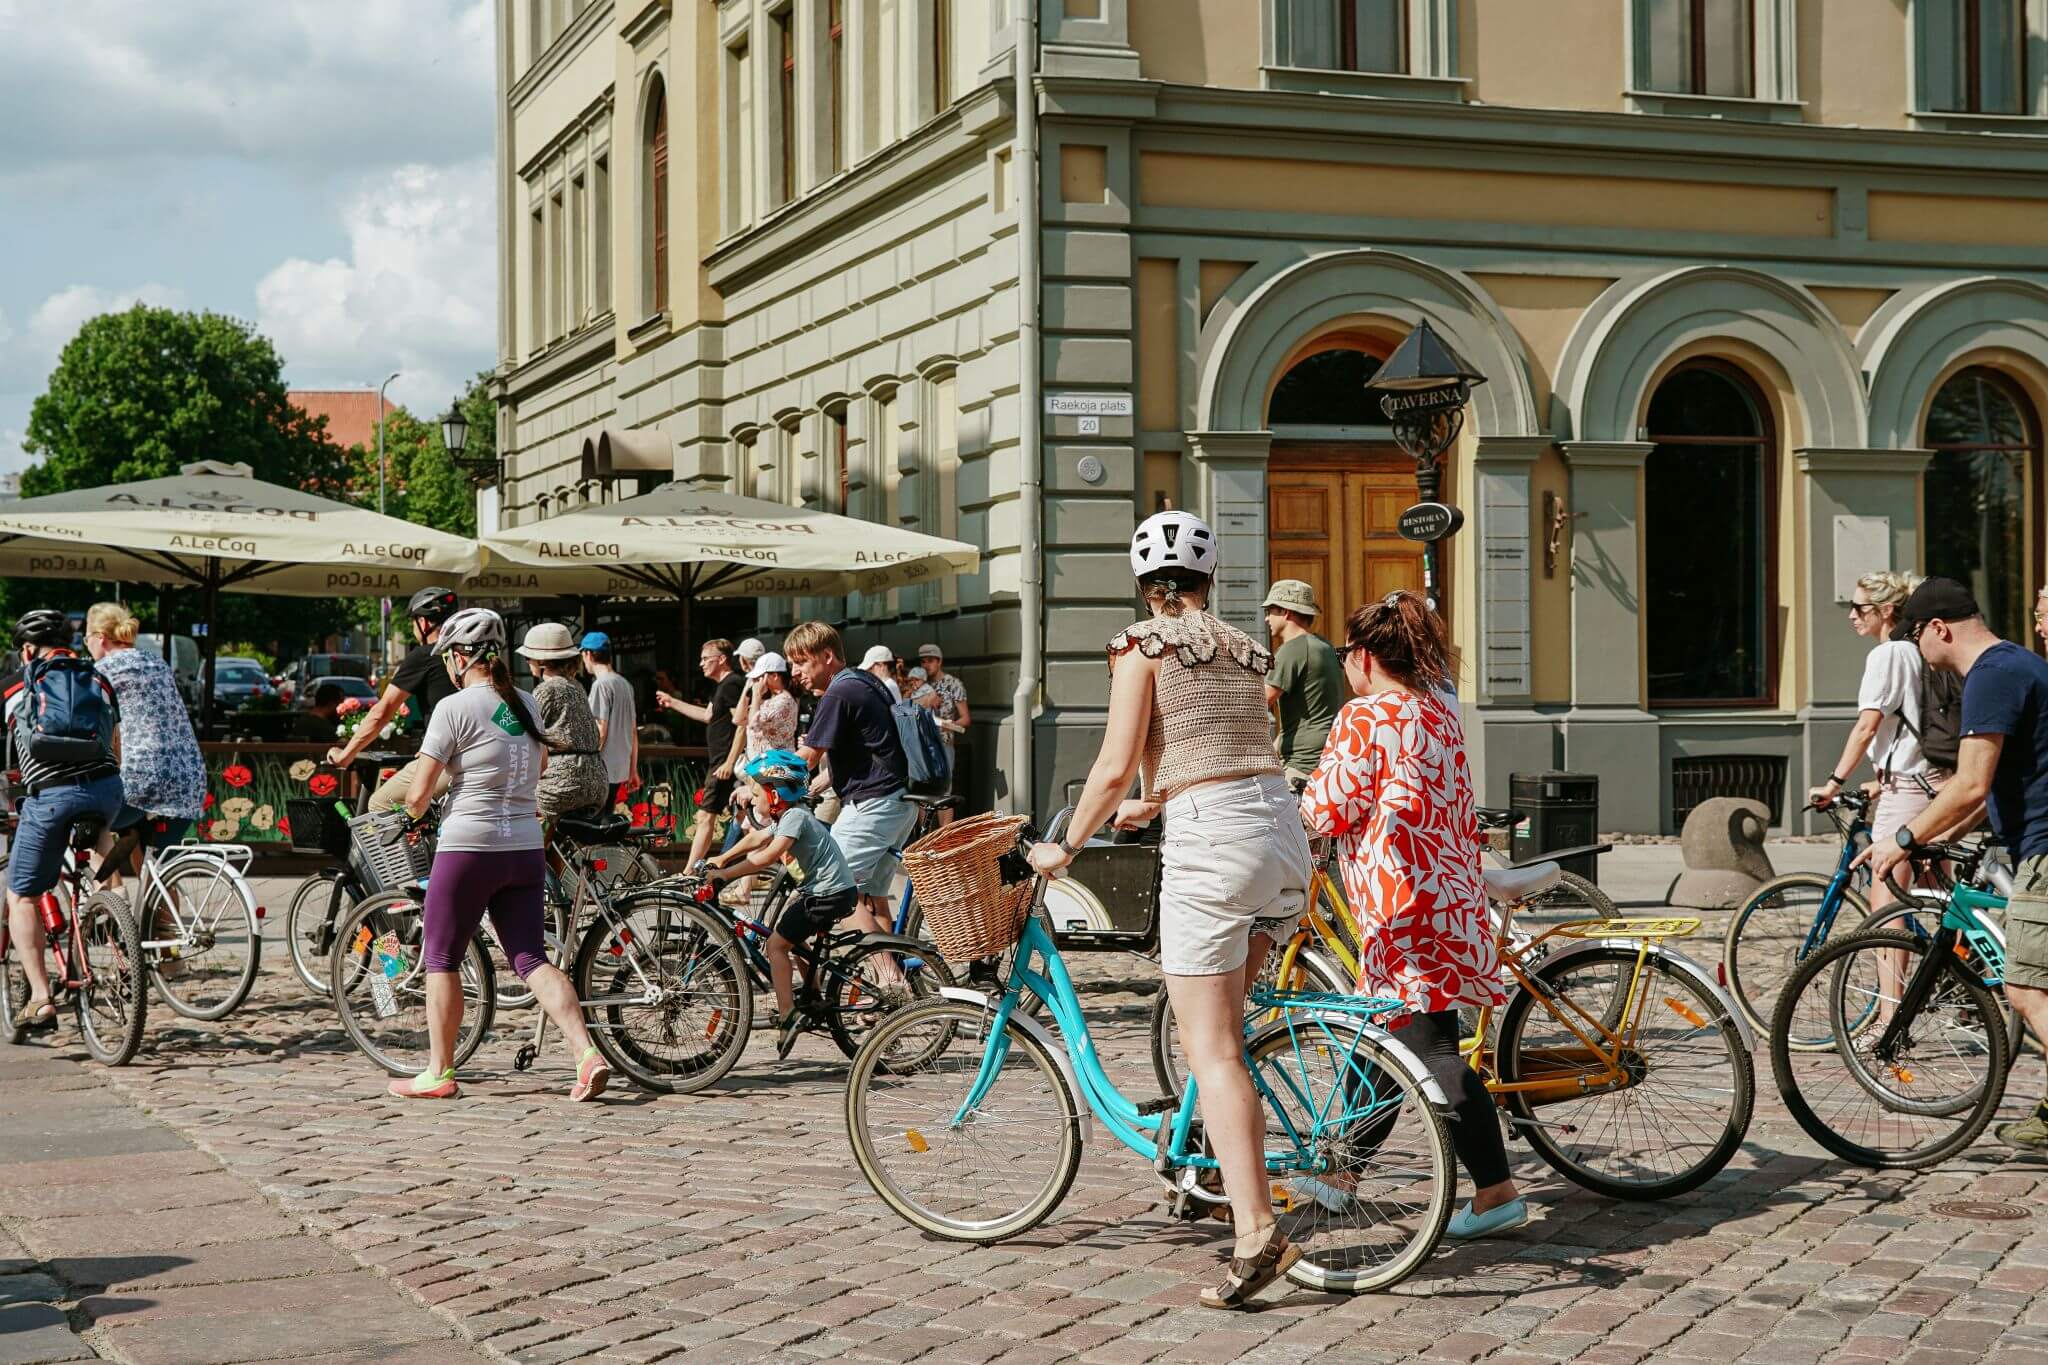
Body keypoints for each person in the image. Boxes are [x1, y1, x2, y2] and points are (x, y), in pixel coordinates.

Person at [1025, 511, 1310, 1310]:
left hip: (1214, 844)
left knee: (1211, 1048)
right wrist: (1157, 801)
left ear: (1144, 584)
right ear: (1208, 578)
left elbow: (1114, 763)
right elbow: (1224, 746)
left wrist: (1064, 847)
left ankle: (1257, 1232)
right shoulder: (1247, 647)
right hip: (1280, 834)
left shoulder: (1141, 644)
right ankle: (1219, 1170)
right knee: (1228, 1035)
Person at [1302, 589, 1527, 1238]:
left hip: (1401, 908)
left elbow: (1324, 810)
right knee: (1389, 1036)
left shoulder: (1365, 717)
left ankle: (1497, 1192)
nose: (1345, 663)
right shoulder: (1439, 714)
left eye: (1346, 653)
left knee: (1431, 1053)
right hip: (1450, 901)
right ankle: (1342, 1175)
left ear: (1366, 656)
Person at [388, 608, 608, 1102]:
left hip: (469, 848)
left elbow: (418, 792)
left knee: (441, 958)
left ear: (459, 657)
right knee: (531, 958)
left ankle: (439, 1071)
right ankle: (585, 1054)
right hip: (524, 847)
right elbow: (542, 761)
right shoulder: (525, 701)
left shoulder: (453, 707)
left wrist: (411, 814)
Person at [1862, 577, 2048, 1152]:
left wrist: (1903, 838)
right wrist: (1940, 837)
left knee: (2026, 989)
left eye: (1915, 635)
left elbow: (1969, 783)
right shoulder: (2018, 662)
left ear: (1938, 628)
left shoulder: (1990, 676)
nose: (1916, 650)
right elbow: (1990, 790)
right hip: (2032, 838)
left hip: (2044, 848)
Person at [702, 750, 903, 1056]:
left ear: (775, 794)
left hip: (827, 894)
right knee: (794, 940)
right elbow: (757, 839)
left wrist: (726, 875)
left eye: (756, 794)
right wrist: (722, 857)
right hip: (827, 891)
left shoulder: (795, 818)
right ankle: (812, 996)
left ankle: (788, 1015)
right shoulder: (791, 815)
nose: (753, 801)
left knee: (776, 946)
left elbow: (768, 855)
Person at [3, 609, 124, 1028]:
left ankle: (41, 999)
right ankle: (122, 937)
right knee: (101, 851)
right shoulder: (99, 678)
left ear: (27, 649)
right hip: (107, 790)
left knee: (21, 896)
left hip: (52, 797)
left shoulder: (16, 684)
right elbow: (113, 741)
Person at [1809, 571, 1944, 919]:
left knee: (1885, 904)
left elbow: (1866, 728)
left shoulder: (1888, 655)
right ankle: (1960, 956)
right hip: (1937, 783)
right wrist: (1877, 784)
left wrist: (1833, 783)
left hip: (1908, 791)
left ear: (1885, 611)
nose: (1851, 615)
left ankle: (1890, 960)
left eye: (1859, 607)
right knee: (1942, 898)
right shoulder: (1921, 648)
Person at [787, 622, 917, 929]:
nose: (794, 671)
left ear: (827, 656)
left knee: (835, 890)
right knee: (873, 897)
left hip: (873, 805)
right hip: (897, 802)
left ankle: (885, 975)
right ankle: (884, 959)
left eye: (801, 661)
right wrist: (820, 783)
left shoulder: (839, 692)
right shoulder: (863, 680)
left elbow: (807, 757)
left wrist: (758, 783)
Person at [82, 602, 204, 865]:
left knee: (84, 823)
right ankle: (155, 889)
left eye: (86, 638)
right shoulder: (157, 662)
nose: (86, 645)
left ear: (100, 638)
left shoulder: (101, 671)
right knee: (158, 866)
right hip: (187, 778)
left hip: (139, 779)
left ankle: (112, 888)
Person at [328, 586, 460, 812]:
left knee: (380, 804)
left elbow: (382, 711)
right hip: (483, 755)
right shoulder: (465, 655)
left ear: (423, 623)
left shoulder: (425, 655)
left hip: (447, 759)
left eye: (413, 622)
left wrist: (345, 756)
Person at [657, 639, 747, 870]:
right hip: (721, 762)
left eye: (706, 658)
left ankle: (689, 871)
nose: (701, 664)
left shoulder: (732, 684)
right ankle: (739, 874)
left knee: (707, 815)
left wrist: (729, 762)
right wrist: (673, 702)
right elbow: (707, 716)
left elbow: (743, 724)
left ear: (722, 659)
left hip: (724, 763)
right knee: (744, 819)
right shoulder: (722, 686)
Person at [516, 623, 609, 823]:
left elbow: (520, 730)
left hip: (561, 784)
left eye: (528, 657)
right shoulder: (577, 686)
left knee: (511, 805)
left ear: (541, 661)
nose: (527, 662)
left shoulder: (546, 690)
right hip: (597, 783)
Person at [1261, 580, 1346, 791]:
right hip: (1327, 757)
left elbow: (1259, 702)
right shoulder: (1324, 646)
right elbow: (1310, 713)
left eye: (1270, 611)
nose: (1266, 618)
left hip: (1302, 767)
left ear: (1286, 612)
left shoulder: (1293, 649)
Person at [580, 631, 639, 806]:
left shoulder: (600, 685)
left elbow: (600, 730)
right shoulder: (625, 684)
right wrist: (633, 770)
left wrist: (588, 764)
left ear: (588, 654)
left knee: (593, 819)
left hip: (601, 768)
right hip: (619, 769)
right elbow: (633, 732)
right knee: (606, 817)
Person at [913, 644, 969, 819]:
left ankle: (945, 834)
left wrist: (948, 725)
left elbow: (966, 718)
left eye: (930, 661)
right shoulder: (917, 682)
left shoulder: (953, 684)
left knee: (943, 793)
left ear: (939, 661)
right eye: (923, 661)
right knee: (922, 793)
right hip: (921, 745)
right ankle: (925, 834)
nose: (926, 665)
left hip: (943, 745)